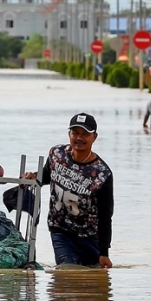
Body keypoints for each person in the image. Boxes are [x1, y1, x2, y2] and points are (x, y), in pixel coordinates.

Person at [25, 113, 114, 268]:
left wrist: (104, 253)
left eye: (85, 134)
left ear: (94, 137)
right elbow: (47, 175)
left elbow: (105, 216)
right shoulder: (57, 154)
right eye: (75, 133)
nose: (79, 138)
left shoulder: (102, 173)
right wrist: (33, 176)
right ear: (69, 134)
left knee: (91, 281)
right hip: (60, 230)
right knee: (66, 271)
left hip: (89, 236)